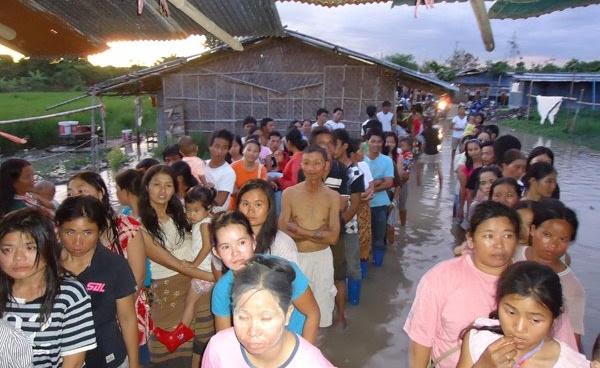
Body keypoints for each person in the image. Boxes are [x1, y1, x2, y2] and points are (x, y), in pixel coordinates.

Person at [404, 201, 575, 368]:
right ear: (471, 239)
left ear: (517, 241)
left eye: (507, 236)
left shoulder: (534, 282)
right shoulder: (440, 277)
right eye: (488, 236)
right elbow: (421, 340)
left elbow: (564, 348)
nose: (499, 244)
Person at [67, 171, 151, 361]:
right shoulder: (66, 233)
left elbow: (138, 277)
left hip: (127, 312)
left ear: (100, 193)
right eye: (70, 193)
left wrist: (112, 314)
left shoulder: (126, 227)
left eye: (81, 190)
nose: (75, 197)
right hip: (83, 321)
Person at [137, 165, 215, 366]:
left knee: (202, 346)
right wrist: (217, 278)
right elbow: (178, 265)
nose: (162, 191)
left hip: (197, 286)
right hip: (169, 291)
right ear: (146, 187)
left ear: (174, 188)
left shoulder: (182, 215)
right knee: (171, 353)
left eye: (168, 185)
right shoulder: (141, 226)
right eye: (156, 184)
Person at [0, 208, 97, 368]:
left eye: (30, 247)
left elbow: (73, 363)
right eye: (7, 250)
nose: (18, 257)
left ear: (48, 247)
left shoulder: (69, 295)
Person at [202, 255, 333, 367]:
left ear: (287, 314)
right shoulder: (219, 349)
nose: (253, 332)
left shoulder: (312, 363)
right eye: (242, 317)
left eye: (265, 318)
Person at [210, 212, 320, 343]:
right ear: (216, 252)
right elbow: (225, 341)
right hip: (258, 349)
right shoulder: (222, 290)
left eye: (242, 242)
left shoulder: (283, 271)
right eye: (226, 247)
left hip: (295, 343)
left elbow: (312, 313)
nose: (235, 252)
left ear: (253, 241)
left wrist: (304, 358)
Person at [57, 196, 139, 368]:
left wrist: (134, 364)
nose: (77, 242)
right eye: (70, 232)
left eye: (88, 232)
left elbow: (127, 318)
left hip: (107, 356)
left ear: (100, 231)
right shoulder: (46, 264)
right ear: (58, 228)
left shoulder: (115, 265)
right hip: (59, 359)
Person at [457, 261, 590, 368]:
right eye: (510, 312)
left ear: (553, 319)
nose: (519, 329)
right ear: (499, 303)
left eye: (535, 320)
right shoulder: (478, 341)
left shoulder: (572, 364)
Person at [279, 145, 340, 328]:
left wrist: (300, 230)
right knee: (292, 312)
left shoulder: (333, 196)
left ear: (325, 166)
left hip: (322, 259)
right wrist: (319, 233)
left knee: (320, 312)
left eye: (316, 163)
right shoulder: (289, 194)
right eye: (306, 163)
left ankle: (315, 352)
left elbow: (333, 238)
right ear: (301, 165)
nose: (311, 168)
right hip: (295, 258)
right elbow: (283, 233)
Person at [512, 199, 585, 350]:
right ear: (532, 230)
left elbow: (573, 339)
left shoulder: (572, 288)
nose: (553, 244)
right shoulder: (509, 255)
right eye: (547, 234)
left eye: (563, 239)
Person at [154, 186, 217, 349]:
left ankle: (178, 336)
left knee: (190, 302)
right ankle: (180, 333)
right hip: (204, 270)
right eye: (188, 210)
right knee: (192, 303)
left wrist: (194, 265)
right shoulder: (202, 222)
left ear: (208, 208)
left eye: (195, 210)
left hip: (204, 271)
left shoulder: (205, 224)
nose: (191, 214)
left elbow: (207, 246)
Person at [332, 129, 366, 308]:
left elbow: (355, 204)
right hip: (329, 227)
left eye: (335, 144)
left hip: (348, 226)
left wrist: (339, 223)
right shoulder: (328, 168)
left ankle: (354, 303)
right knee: (333, 268)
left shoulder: (354, 172)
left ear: (345, 146)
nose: (331, 148)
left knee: (352, 265)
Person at [236, 179, 298, 263]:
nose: (251, 210)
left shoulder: (282, 243)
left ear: (269, 208)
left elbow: (292, 275)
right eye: (245, 204)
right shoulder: (228, 238)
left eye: (258, 204)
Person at [364, 128, 394, 267]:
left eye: (379, 141)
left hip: (380, 204)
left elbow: (389, 182)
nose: (376, 144)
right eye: (373, 141)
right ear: (367, 142)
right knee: (363, 237)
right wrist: (377, 182)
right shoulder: (361, 159)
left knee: (379, 237)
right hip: (362, 204)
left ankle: (378, 265)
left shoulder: (387, 160)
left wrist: (369, 188)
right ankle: (365, 264)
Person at [229, 139, 268, 210]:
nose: (252, 153)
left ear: (259, 153)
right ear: (243, 150)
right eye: (249, 150)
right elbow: (233, 192)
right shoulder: (233, 167)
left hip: (254, 209)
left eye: (255, 151)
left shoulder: (262, 169)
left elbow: (263, 191)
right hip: (234, 208)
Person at [204, 129, 236, 213]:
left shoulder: (228, 172)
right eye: (217, 146)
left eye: (224, 148)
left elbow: (219, 201)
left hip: (215, 217)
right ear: (210, 146)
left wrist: (198, 206)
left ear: (228, 150)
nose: (220, 151)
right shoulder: (202, 165)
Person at [457, 139, 482, 221]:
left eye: (476, 149)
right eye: (470, 150)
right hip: (470, 200)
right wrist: (460, 208)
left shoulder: (487, 165)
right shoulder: (464, 168)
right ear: (467, 152)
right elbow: (463, 189)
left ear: (481, 149)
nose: (473, 152)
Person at [417, 117, 443, 188]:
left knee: (419, 167)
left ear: (425, 124)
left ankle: (418, 185)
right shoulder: (436, 130)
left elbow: (423, 144)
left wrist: (420, 153)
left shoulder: (424, 132)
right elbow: (440, 141)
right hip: (436, 153)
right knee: (439, 170)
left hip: (427, 153)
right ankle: (441, 187)